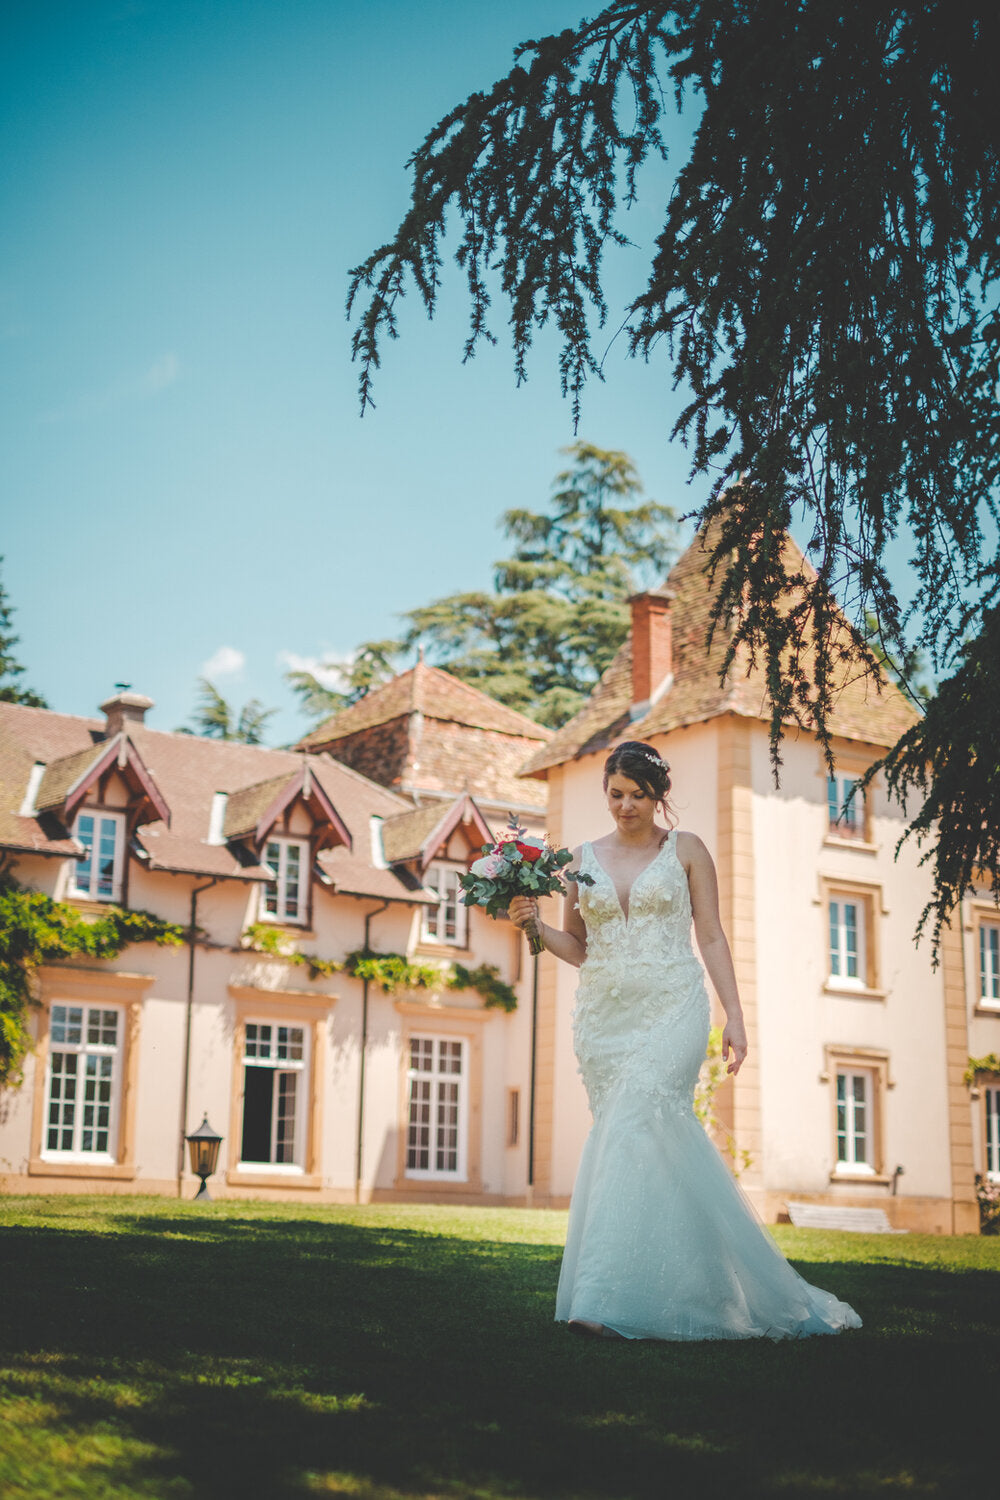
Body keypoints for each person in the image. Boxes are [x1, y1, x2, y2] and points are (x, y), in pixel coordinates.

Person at [508, 740, 861, 1342]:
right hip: (604, 1020)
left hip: (674, 1007)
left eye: (637, 795)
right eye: (616, 794)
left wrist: (736, 1016)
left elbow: (714, 936)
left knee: (636, 1120)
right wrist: (532, 927)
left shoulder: (688, 850)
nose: (625, 806)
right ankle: (687, 1286)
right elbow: (579, 945)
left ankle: (601, 1299)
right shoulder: (580, 860)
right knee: (640, 1139)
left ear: (657, 796)